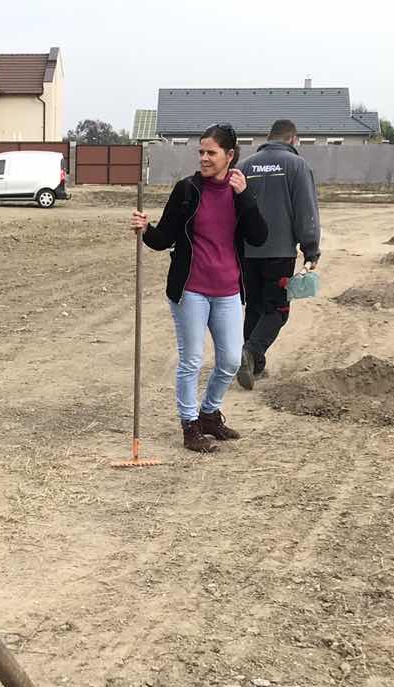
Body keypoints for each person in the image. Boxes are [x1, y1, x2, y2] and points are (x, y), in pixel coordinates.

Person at [130, 124, 268, 453]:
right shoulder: (187, 190)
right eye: (201, 152)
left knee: (231, 361)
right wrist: (145, 228)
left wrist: (244, 196)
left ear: (230, 156)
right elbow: (164, 239)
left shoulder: (241, 193)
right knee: (191, 360)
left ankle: (209, 413)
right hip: (190, 289)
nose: (204, 158)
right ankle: (189, 425)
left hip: (228, 291)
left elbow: (259, 236)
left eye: (212, 153)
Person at [235, 119, 321, 389]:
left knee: (256, 307)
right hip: (280, 252)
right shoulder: (297, 166)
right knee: (278, 309)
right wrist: (311, 248)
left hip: (247, 253)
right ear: (294, 139)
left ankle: (255, 367)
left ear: (268, 136)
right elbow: (305, 210)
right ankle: (250, 352)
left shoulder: (244, 166)